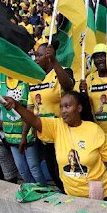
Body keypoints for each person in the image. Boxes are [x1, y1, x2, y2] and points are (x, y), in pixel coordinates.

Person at [3, 91, 107, 202]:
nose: (63, 111)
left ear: (79, 108)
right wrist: (17, 106)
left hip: (101, 195)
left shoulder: (94, 130)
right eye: (61, 107)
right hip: (73, 198)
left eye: (67, 106)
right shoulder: (57, 127)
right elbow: (34, 121)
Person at [29, 42, 75, 189]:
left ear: (49, 57)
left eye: (40, 55)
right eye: (35, 56)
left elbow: (68, 87)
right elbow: (32, 108)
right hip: (44, 136)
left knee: (66, 173)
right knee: (53, 174)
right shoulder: (33, 78)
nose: (36, 59)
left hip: (62, 135)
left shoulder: (63, 71)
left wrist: (55, 62)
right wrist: (30, 131)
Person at [0, 75, 43, 186]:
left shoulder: (26, 81)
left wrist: (24, 135)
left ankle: (45, 192)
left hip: (28, 135)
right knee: (22, 169)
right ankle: (34, 191)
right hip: (11, 138)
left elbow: (30, 111)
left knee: (34, 167)